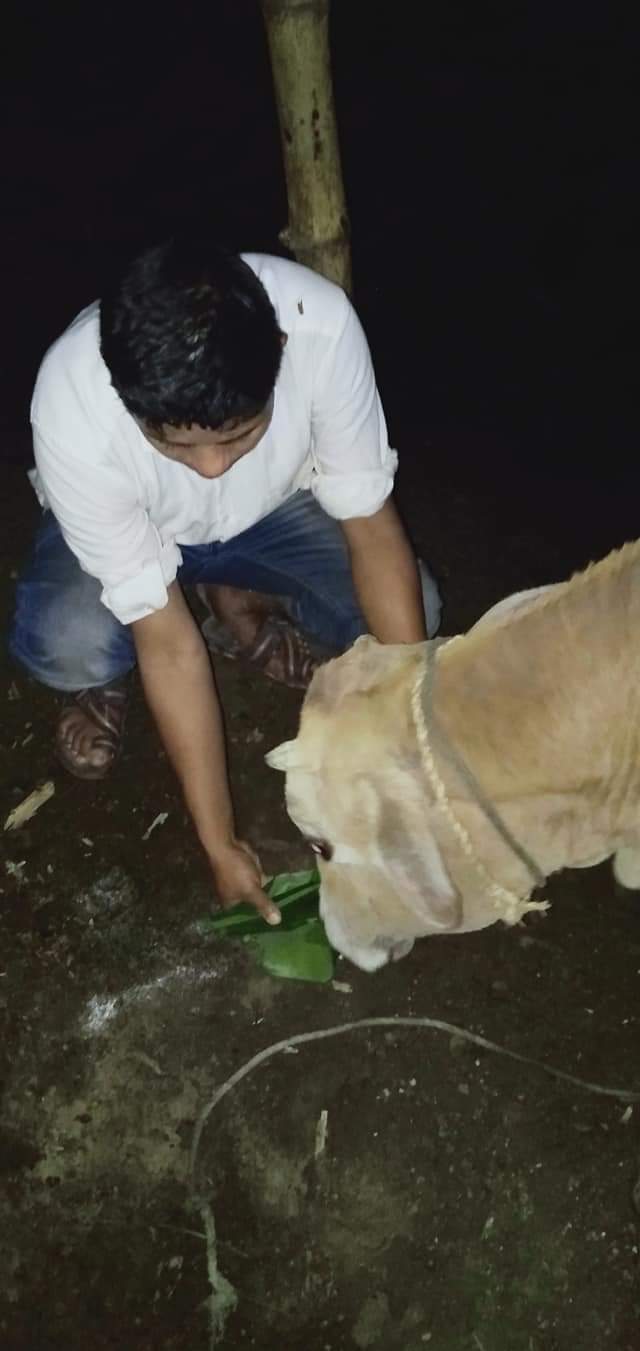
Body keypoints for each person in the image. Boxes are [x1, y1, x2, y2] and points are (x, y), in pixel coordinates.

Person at [10, 239, 441, 922]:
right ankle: (116, 667)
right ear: (127, 398)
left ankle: (233, 595)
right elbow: (169, 643)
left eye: (240, 434)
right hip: (140, 524)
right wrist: (219, 842)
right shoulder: (72, 401)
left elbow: (371, 528)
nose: (211, 467)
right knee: (64, 643)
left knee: (416, 614)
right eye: (176, 445)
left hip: (275, 510)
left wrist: (415, 735)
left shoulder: (320, 329)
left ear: (277, 350)